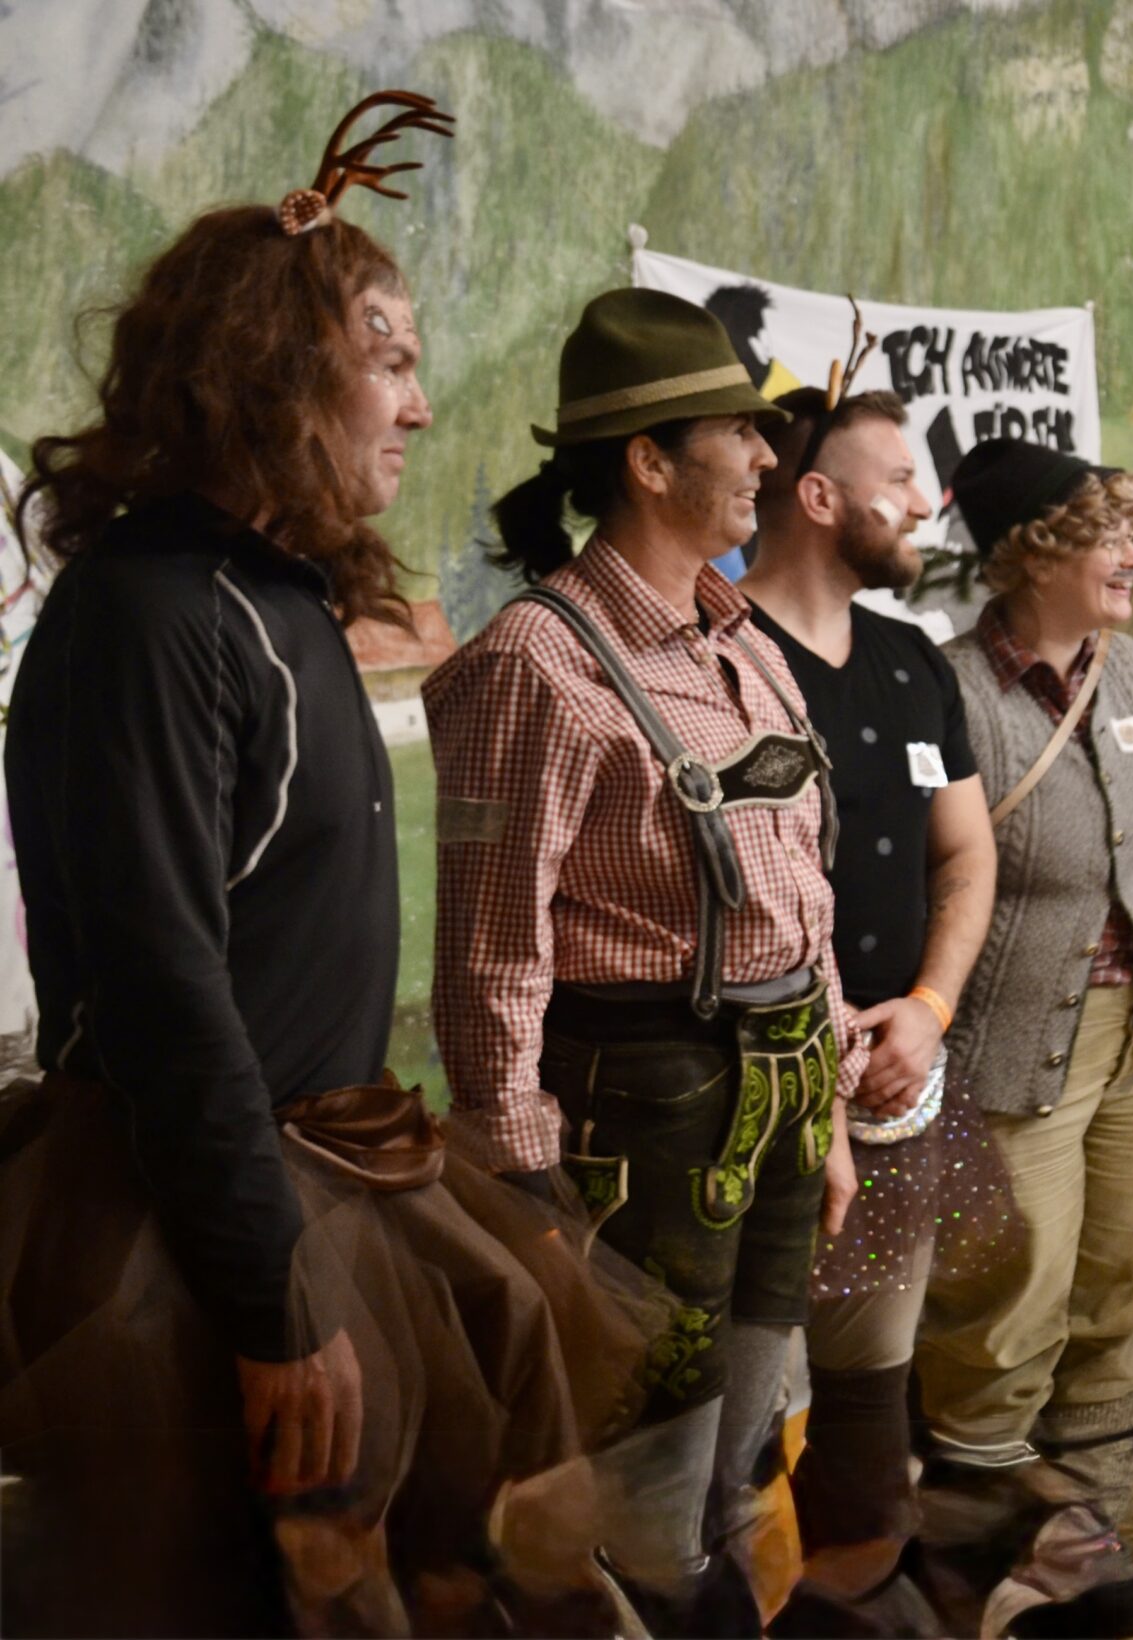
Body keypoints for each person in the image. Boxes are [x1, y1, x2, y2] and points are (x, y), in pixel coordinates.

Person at [0, 93, 665, 1636]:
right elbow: (167, 995)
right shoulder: (152, 614)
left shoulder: (280, 597)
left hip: (336, 1180)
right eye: (393, 361)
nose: (421, 408)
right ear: (277, 367)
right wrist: (276, 1298)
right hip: (194, 1223)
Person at [426, 286, 874, 1630]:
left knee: (749, 1432)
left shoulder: (744, 643)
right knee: (647, 1464)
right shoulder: (539, 658)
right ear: (648, 461)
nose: (767, 457)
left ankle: (730, 1598)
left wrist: (826, 1107)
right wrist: (523, 1182)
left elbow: (803, 893)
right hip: (646, 1104)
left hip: (781, 1085)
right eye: (740, 432)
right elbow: (491, 945)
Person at [730, 385, 1017, 1633]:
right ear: (816, 496)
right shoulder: (719, 655)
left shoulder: (911, 662)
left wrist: (930, 1009)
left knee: (867, 1384)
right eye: (896, 477)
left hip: (899, 1089)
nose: (923, 499)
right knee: (734, 1407)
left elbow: (966, 853)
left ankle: (862, 1601)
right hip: (752, 1107)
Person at [902, 437, 1133, 1638]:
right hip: (1010, 1039)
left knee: (1118, 1282)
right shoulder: (948, 689)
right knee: (1004, 1306)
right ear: (1030, 555)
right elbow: (925, 869)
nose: (1132, 552)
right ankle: (973, 1560)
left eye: (1130, 531)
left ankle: (1084, 1540)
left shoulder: (1127, 671)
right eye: (1104, 535)